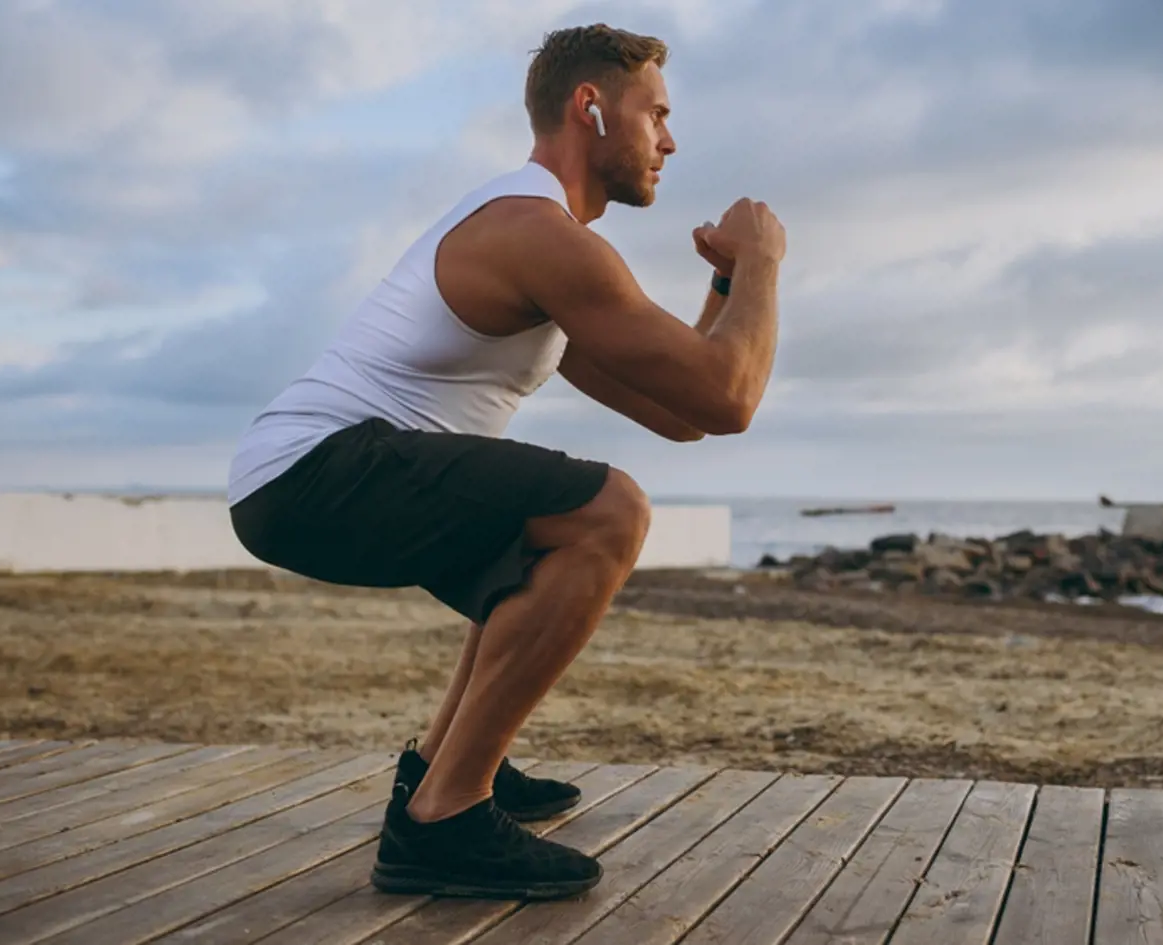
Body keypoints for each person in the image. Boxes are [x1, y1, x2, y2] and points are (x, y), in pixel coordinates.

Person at [225, 23, 784, 900]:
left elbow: (686, 416)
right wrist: (762, 263)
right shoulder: (536, 234)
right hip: (314, 469)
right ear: (589, 108)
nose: (669, 142)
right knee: (610, 510)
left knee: (541, 540)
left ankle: (443, 767)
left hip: (296, 479)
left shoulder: (541, 249)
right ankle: (444, 818)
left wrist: (719, 289)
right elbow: (732, 397)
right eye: (657, 116)